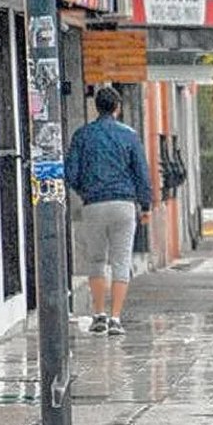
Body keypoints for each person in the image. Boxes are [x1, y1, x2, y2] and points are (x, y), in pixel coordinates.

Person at [65, 86, 152, 336]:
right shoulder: (129, 135)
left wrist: (85, 191)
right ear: (117, 107)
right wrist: (144, 205)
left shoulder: (82, 135)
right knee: (121, 261)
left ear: (96, 106)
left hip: (94, 205)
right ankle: (115, 318)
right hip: (124, 205)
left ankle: (99, 314)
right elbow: (142, 174)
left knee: (96, 260)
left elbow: (71, 173)